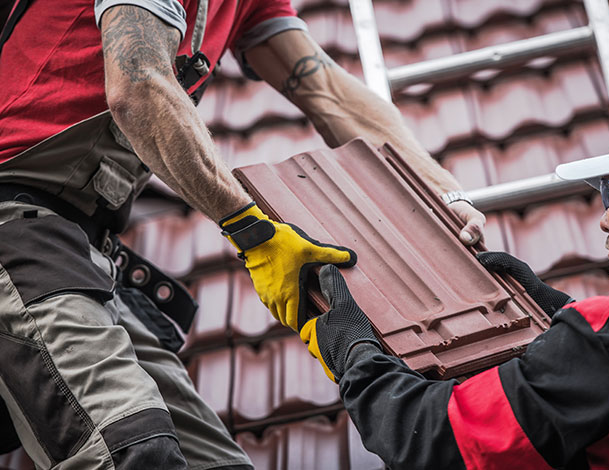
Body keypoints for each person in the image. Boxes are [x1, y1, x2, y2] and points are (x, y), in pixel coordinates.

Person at [0, 0, 485, 468]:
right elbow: (139, 86)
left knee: (210, 463)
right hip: (15, 227)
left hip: (79, 250)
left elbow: (329, 93)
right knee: (132, 450)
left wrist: (441, 196)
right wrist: (256, 234)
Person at [298, 107, 609, 469]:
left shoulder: (602, 347)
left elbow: (431, 441)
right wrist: (560, 312)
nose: (605, 218)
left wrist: (355, 350)